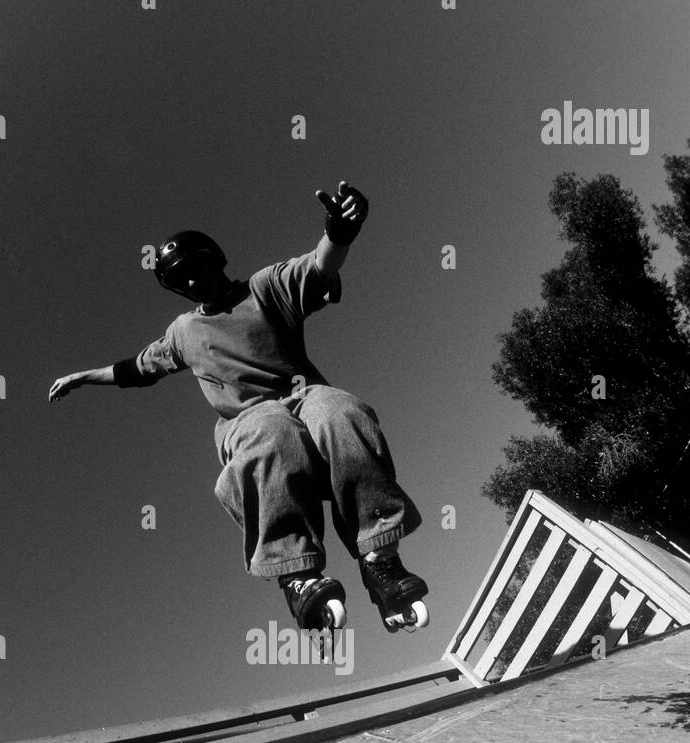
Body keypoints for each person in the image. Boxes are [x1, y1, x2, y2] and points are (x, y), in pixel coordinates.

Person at [49, 181, 427, 636]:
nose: (189, 282)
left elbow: (318, 264)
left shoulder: (265, 288)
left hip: (303, 397)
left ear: (215, 259)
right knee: (271, 428)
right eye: (177, 280)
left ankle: (379, 558)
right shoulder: (183, 331)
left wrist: (341, 233)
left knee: (339, 410)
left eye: (193, 269)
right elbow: (136, 369)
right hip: (245, 421)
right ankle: (297, 572)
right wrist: (81, 377)